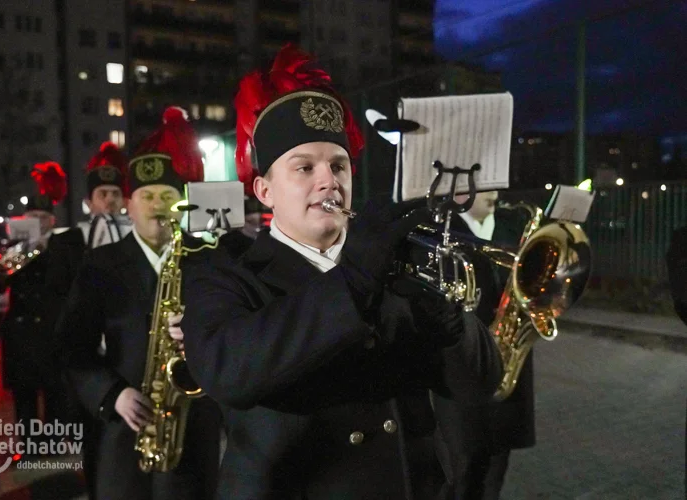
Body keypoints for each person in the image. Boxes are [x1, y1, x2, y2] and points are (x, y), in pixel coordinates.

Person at [176, 44, 503, 499]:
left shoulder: (390, 262)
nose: (328, 180)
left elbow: (481, 384)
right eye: (304, 167)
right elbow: (227, 371)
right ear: (264, 190)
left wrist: (448, 321)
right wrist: (353, 280)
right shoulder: (224, 271)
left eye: (338, 165)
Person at [55, 107, 222, 500]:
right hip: (125, 428)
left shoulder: (205, 258)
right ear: (129, 205)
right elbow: (71, 346)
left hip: (194, 430)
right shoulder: (100, 264)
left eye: (167, 195)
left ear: (182, 201)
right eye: (146, 196)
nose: (157, 205)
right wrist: (112, 394)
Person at [432, 190, 534, 500]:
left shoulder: (511, 227)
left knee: (496, 466)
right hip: (464, 367)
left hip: (509, 365)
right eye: (486, 185)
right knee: (460, 471)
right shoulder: (444, 231)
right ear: (462, 190)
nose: (494, 193)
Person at [45, 141, 129, 500]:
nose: (108, 200)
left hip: (123, 353)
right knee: (93, 443)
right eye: (102, 193)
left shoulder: (133, 237)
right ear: (90, 200)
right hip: (88, 360)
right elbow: (57, 300)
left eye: (114, 193)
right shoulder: (69, 243)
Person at [0, 161, 67, 429]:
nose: (38, 224)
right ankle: (28, 448)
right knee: (23, 398)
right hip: (20, 337)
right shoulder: (13, 250)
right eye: (33, 219)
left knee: (55, 397)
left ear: (52, 221)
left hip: (51, 334)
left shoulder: (62, 249)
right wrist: (10, 261)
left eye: (43, 219)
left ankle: (52, 445)